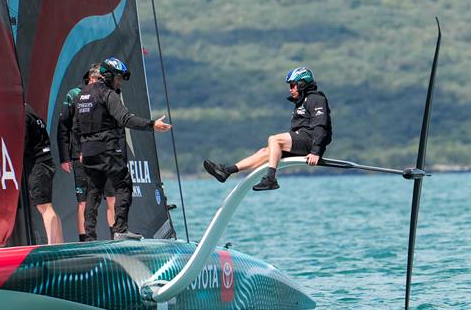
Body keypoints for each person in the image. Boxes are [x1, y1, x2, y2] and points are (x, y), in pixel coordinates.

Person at [73, 57, 172, 241]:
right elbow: (125, 119)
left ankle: (88, 236)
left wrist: (80, 150)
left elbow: (76, 127)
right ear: (109, 75)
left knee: (94, 190)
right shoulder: (108, 94)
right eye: (118, 78)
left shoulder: (81, 95)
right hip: (107, 149)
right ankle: (120, 229)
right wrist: (151, 125)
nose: (119, 82)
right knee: (124, 183)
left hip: (87, 152)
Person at [203, 66, 332, 191]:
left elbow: (321, 126)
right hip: (303, 141)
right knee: (265, 152)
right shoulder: (301, 102)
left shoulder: (316, 99)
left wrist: (316, 152)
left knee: (274, 139)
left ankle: (270, 179)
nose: (290, 89)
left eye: (292, 85)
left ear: (302, 84)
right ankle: (227, 171)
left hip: (310, 142)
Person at [57, 63, 116, 241]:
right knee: (83, 200)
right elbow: (64, 127)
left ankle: (117, 237)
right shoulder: (74, 94)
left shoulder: (107, 94)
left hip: (105, 153)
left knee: (112, 197)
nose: (104, 84)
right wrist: (65, 157)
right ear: (92, 79)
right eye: (101, 80)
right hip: (80, 154)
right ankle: (85, 241)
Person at [25, 104, 63, 244]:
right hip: (45, 162)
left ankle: (52, 246)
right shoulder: (31, 111)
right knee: (48, 206)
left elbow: (22, 142)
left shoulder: (24, 115)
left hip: (39, 165)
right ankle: (58, 244)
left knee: (44, 206)